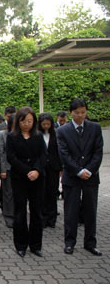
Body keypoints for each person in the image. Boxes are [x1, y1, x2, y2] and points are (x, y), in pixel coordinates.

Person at [57, 98, 103, 256]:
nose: (80, 116)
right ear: (71, 113)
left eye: (83, 112)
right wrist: (78, 171)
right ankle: (69, 242)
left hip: (90, 177)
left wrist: (89, 170)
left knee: (91, 211)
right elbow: (64, 154)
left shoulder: (95, 128)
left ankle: (90, 243)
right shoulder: (63, 131)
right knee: (71, 211)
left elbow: (98, 152)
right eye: (77, 113)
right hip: (72, 176)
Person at [6, 107, 46, 258]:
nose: (26, 124)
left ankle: (36, 245)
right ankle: (21, 245)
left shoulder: (38, 135)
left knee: (36, 212)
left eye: (30, 121)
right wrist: (26, 171)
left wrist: (36, 170)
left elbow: (43, 155)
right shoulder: (12, 137)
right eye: (23, 121)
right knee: (20, 212)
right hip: (19, 178)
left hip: (37, 178)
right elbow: (11, 157)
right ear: (18, 121)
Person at [38, 113, 62, 228]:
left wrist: (60, 167)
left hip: (53, 167)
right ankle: (43, 218)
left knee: (52, 192)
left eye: (48, 124)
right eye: (44, 124)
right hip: (41, 168)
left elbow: (60, 151)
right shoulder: (37, 134)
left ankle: (52, 219)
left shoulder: (56, 134)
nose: (46, 126)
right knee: (42, 193)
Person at [0, 114, 15, 228]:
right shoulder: (3, 134)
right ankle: (9, 216)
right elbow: (1, 152)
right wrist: (2, 169)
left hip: (20, 169)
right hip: (7, 168)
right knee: (8, 193)